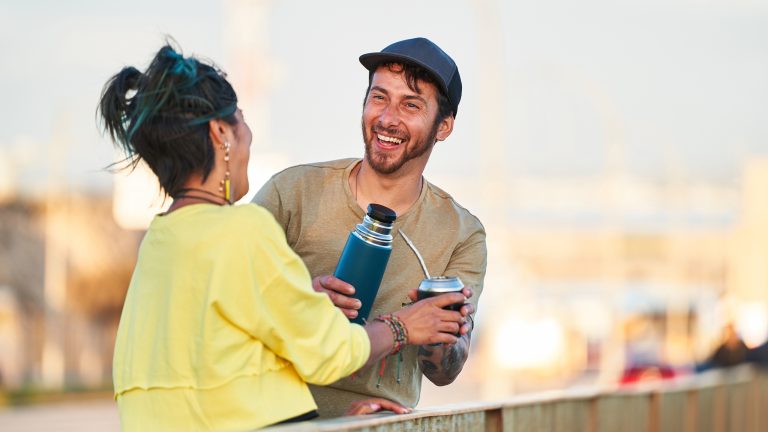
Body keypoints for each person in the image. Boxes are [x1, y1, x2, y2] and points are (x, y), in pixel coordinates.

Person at [100, 43, 466, 431]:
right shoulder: (243, 229)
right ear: (220, 133)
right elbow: (331, 352)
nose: (249, 136)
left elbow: (213, 369)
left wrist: (329, 425)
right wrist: (404, 326)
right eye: (241, 120)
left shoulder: (160, 241)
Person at [253, 37, 487, 417]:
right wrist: (298, 301)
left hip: (378, 425)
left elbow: (448, 371)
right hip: (277, 421)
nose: (387, 118)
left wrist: (441, 331)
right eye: (379, 98)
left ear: (443, 126)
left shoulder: (462, 233)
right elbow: (225, 309)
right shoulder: (291, 192)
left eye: (410, 105)